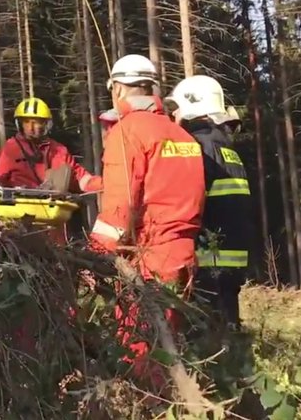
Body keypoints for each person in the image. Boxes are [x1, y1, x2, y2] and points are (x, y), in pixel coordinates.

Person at [87, 54, 206, 388]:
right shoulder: (181, 135)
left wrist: (93, 255)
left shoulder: (127, 132)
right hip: (183, 253)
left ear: (118, 89)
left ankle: (149, 407)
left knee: (140, 348)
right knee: (170, 344)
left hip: (147, 256)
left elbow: (119, 206)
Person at [167, 75, 253, 330]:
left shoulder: (199, 146)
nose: (174, 118)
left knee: (206, 332)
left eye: (176, 111)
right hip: (232, 259)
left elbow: (189, 199)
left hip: (208, 259)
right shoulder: (226, 148)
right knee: (227, 324)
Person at [0, 97, 100, 245]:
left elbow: (78, 177)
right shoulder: (10, 148)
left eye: (37, 122)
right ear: (19, 123)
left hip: (54, 225)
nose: (31, 127)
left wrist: (103, 184)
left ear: (46, 124)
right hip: (21, 225)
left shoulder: (59, 150)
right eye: (27, 121)